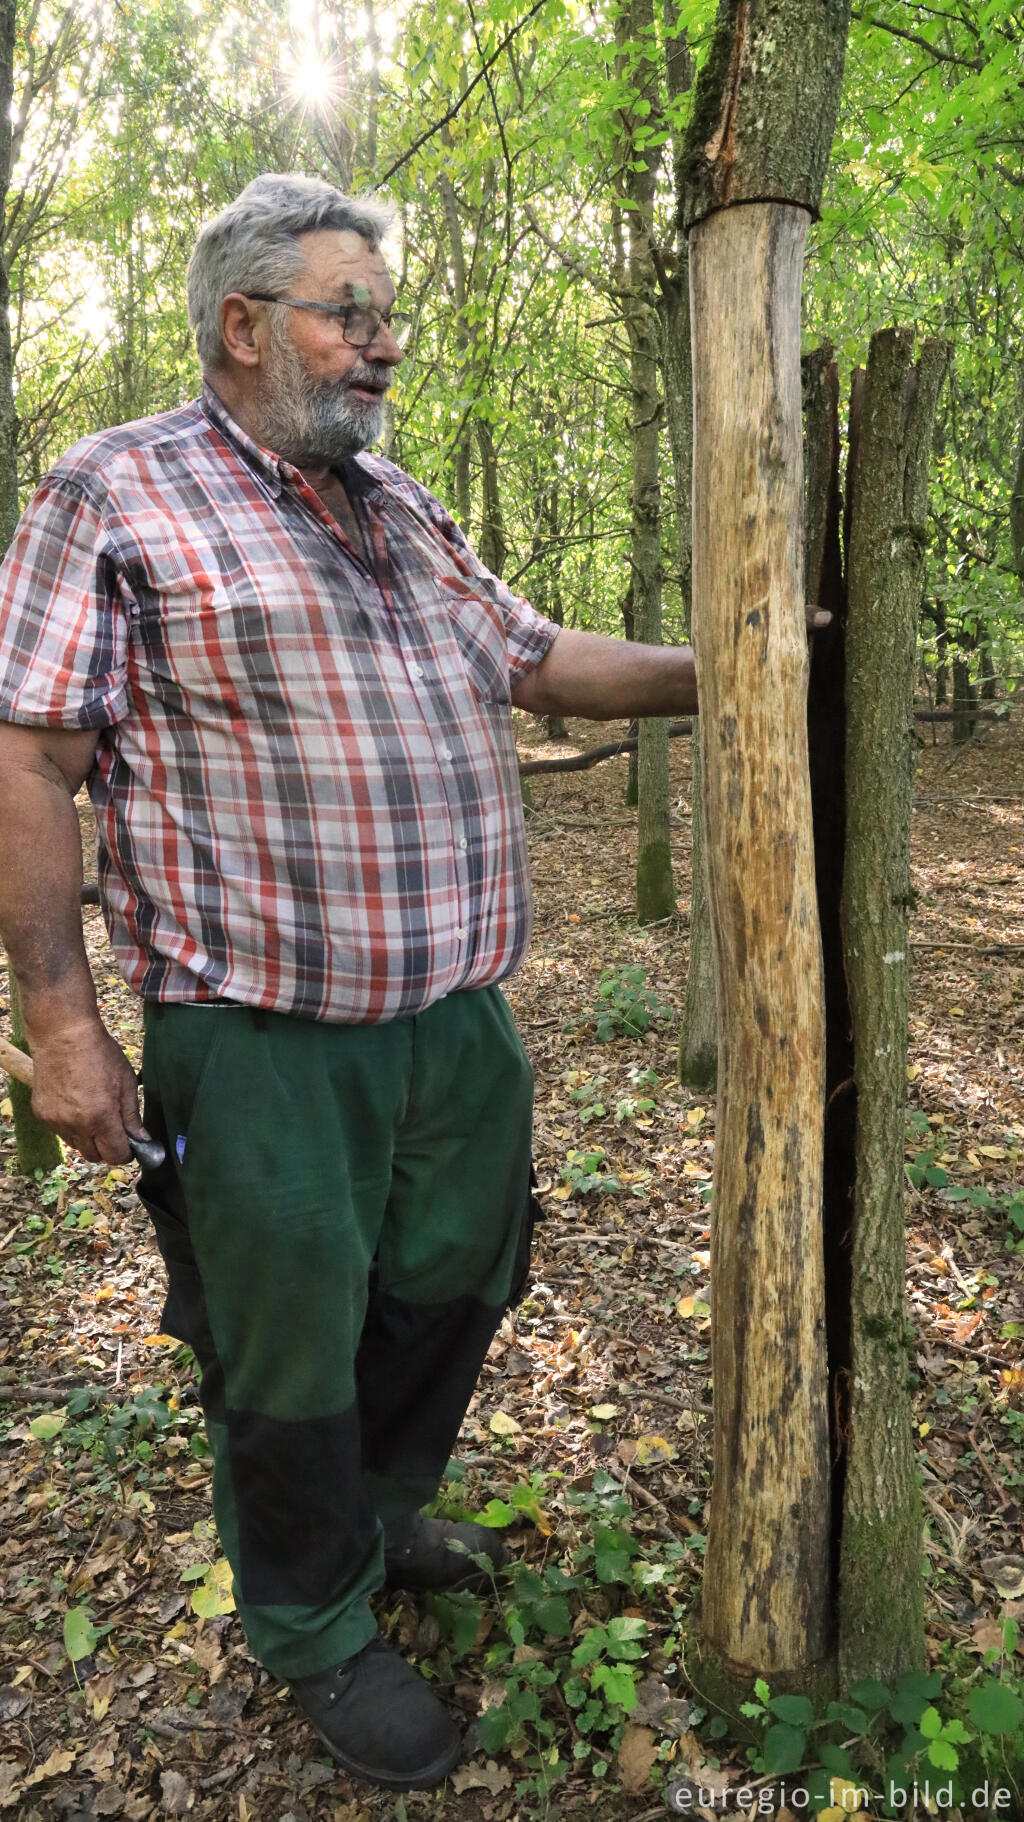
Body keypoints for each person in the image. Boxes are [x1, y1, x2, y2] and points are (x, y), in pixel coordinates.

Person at [0, 174, 705, 1790]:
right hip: (259, 1033)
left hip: (456, 1017)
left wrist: (732, 662)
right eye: (351, 316)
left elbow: (533, 657)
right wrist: (61, 1026)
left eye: (389, 319)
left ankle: (379, 1516)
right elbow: (32, 759)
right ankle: (313, 1619)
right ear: (244, 328)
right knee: (288, 1339)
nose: (385, 349)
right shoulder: (116, 493)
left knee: (457, 1278)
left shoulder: (395, 503)